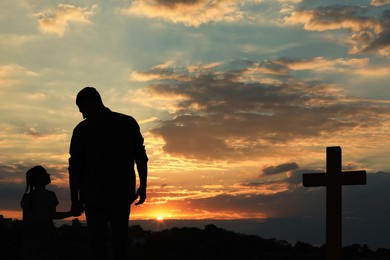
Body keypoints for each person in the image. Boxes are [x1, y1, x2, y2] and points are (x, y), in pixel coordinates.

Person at [68, 87, 148, 260]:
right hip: (121, 194)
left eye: (82, 109)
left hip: (94, 196)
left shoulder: (82, 129)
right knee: (119, 244)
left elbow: (75, 167)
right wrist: (143, 185)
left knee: (97, 246)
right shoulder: (127, 123)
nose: (82, 115)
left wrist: (75, 198)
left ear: (91, 103)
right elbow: (140, 157)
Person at [20, 165, 80, 260]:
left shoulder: (26, 198)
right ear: (39, 179)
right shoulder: (49, 195)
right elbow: (53, 215)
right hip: (46, 235)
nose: (49, 174)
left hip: (30, 237)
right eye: (45, 174)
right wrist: (71, 213)